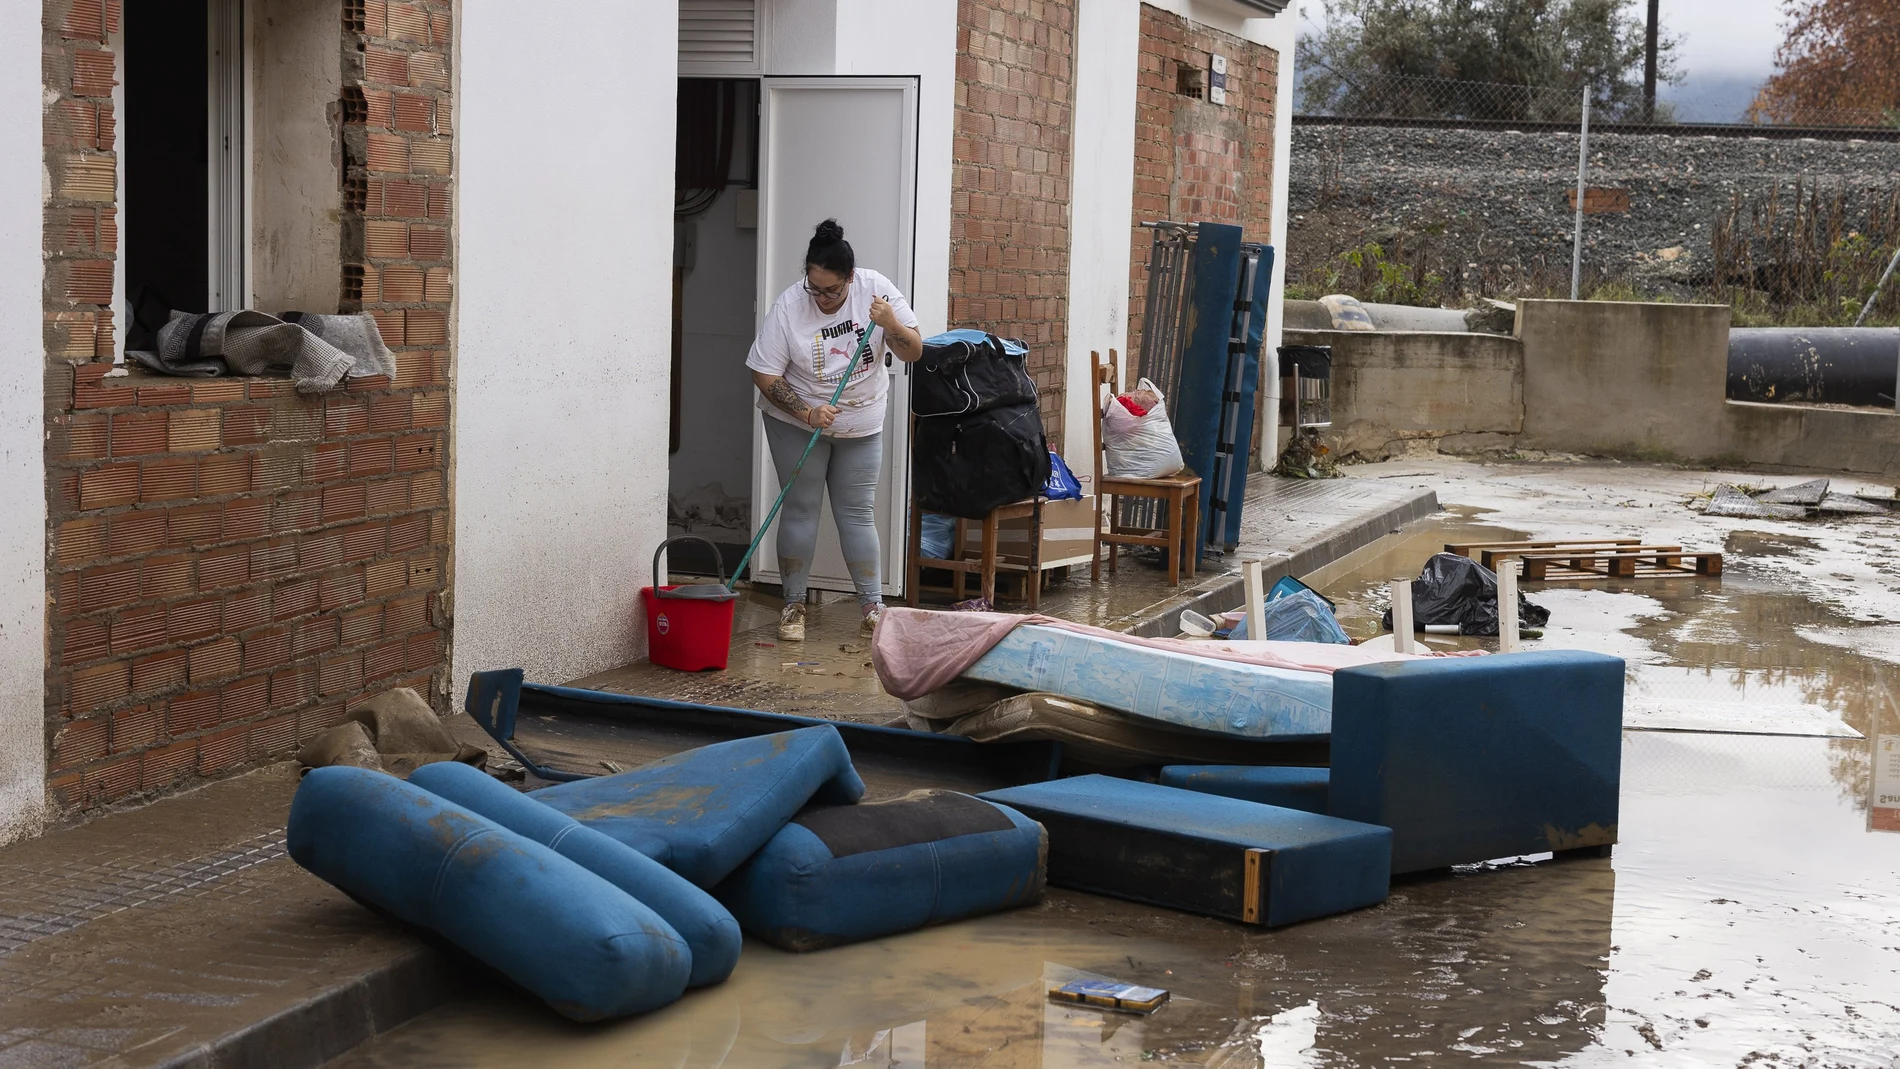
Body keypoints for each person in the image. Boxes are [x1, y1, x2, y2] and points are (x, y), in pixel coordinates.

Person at [746, 219, 923, 642]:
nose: (822, 298)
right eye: (815, 287)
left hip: (862, 421)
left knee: (857, 513)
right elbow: (763, 373)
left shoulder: (875, 289)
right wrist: (807, 413)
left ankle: (872, 607)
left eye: (832, 290)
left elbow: (914, 351)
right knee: (802, 507)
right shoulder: (790, 307)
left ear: (850, 278)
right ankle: (792, 605)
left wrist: (891, 325)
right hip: (797, 421)